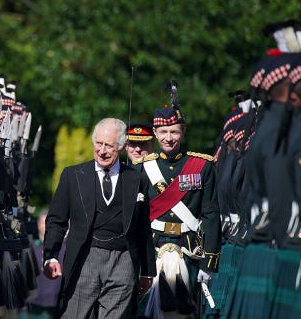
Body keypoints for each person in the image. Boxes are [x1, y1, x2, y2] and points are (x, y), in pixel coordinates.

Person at [43, 117, 155, 318]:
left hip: (123, 261)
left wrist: (147, 271)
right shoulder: (72, 175)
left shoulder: (137, 180)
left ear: (121, 147)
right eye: (99, 144)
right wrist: (50, 255)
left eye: (109, 146)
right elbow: (56, 220)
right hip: (84, 258)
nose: (102, 151)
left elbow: (143, 228)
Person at [140, 106, 221, 319]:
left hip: (189, 250)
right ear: (155, 134)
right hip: (152, 250)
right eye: (163, 132)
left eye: (174, 132)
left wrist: (209, 263)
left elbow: (211, 214)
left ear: (183, 132)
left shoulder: (202, 166)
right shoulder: (143, 168)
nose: (169, 138)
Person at [23, 210, 66, 319]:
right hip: (32, 303)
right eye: (43, 223)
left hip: (54, 303)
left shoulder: (63, 248)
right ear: (38, 225)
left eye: (49, 223)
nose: (46, 226)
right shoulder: (30, 248)